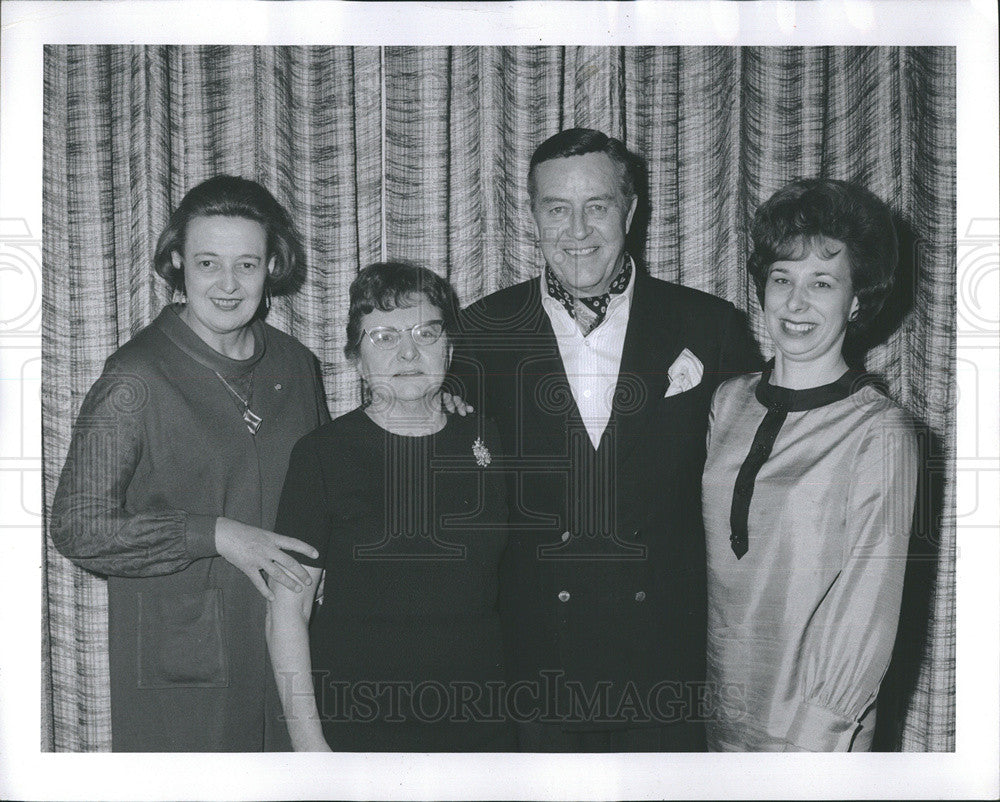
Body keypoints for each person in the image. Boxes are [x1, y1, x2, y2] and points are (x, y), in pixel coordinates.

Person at [451, 128, 759, 751]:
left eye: (598, 206)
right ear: (533, 217)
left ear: (631, 210)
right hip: (533, 668)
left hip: (666, 668)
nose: (578, 230)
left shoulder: (709, 325)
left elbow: (752, 496)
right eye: (556, 209)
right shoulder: (479, 332)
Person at [50, 176, 330, 751]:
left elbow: (329, 485)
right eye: (208, 263)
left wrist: (430, 403)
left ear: (272, 266)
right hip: (185, 667)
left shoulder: (298, 364)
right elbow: (77, 528)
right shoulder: (134, 378)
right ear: (178, 262)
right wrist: (216, 534)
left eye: (247, 265)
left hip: (294, 652)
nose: (228, 285)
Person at [702, 178, 919, 752]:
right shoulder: (728, 402)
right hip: (718, 712)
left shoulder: (880, 431)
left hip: (815, 730)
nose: (796, 303)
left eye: (821, 282)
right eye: (782, 279)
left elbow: (869, 611)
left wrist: (820, 734)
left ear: (855, 298)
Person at [267, 262, 515, 752]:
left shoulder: (488, 438)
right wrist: (310, 745)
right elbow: (286, 611)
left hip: (482, 724)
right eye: (383, 337)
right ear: (356, 358)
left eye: (426, 332)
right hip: (360, 725)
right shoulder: (323, 454)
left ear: (450, 345)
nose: (408, 351)